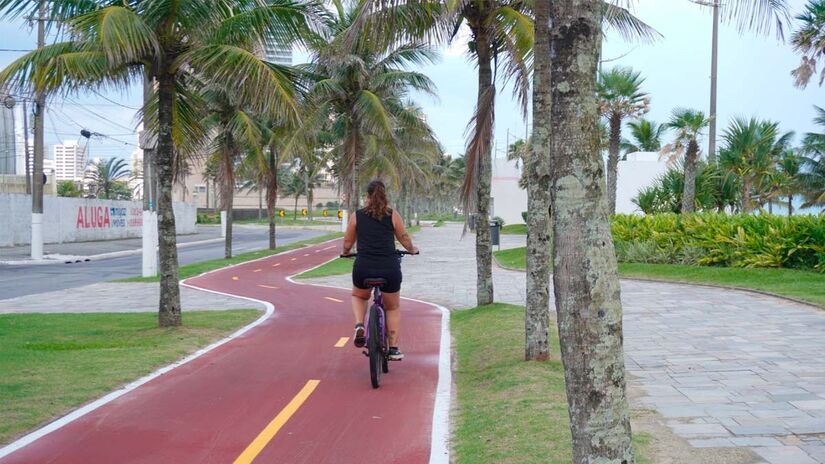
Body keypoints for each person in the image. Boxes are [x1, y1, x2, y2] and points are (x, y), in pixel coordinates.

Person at [342, 180, 418, 361]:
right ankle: (393, 348)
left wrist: (346, 252)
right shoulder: (392, 215)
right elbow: (404, 238)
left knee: (359, 296)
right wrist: (412, 250)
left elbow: (347, 242)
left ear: (367, 196)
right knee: (392, 307)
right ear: (385, 195)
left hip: (364, 267)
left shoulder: (357, 216)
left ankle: (360, 325)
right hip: (389, 267)